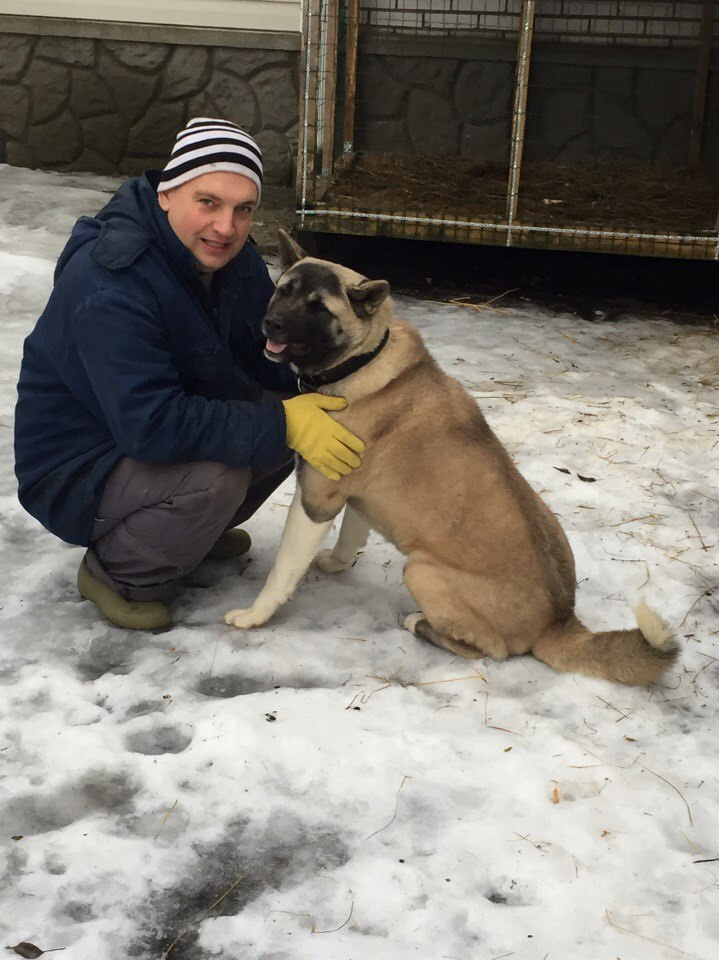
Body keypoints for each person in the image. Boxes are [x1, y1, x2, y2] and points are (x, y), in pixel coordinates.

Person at [14, 117, 364, 631]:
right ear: (166, 195)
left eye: (243, 209)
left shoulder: (231, 259)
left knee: (294, 424)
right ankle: (117, 572)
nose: (227, 226)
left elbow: (259, 355)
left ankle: (184, 533)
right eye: (208, 202)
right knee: (222, 472)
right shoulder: (111, 281)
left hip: (138, 441)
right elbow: (149, 425)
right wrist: (282, 422)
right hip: (76, 468)